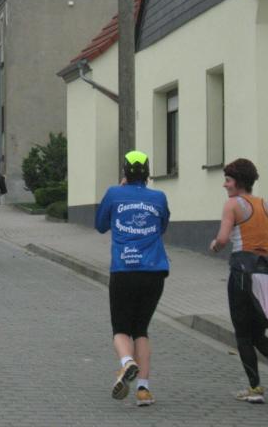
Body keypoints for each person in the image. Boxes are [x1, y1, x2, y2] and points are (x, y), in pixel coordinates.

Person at [209, 158, 268, 403]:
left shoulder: (232, 205)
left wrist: (215, 245)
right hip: (267, 273)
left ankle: (255, 388)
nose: (225, 185)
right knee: (258, 333)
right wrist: (266, 250)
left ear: (238, 182)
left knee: (242, 334)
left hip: (242, 273)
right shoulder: (267, 206)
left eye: (228, 180)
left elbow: (223, 239)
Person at [95, 150, 169, 407]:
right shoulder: (159, 197)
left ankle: (127, 363)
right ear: (147, 173)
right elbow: (162, 226)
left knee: (121, 329)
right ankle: (144, 390)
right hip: (154, 271)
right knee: (141, 330)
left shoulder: (114, 194)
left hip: (124, 270)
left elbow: (100, 225)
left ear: (125, 172)